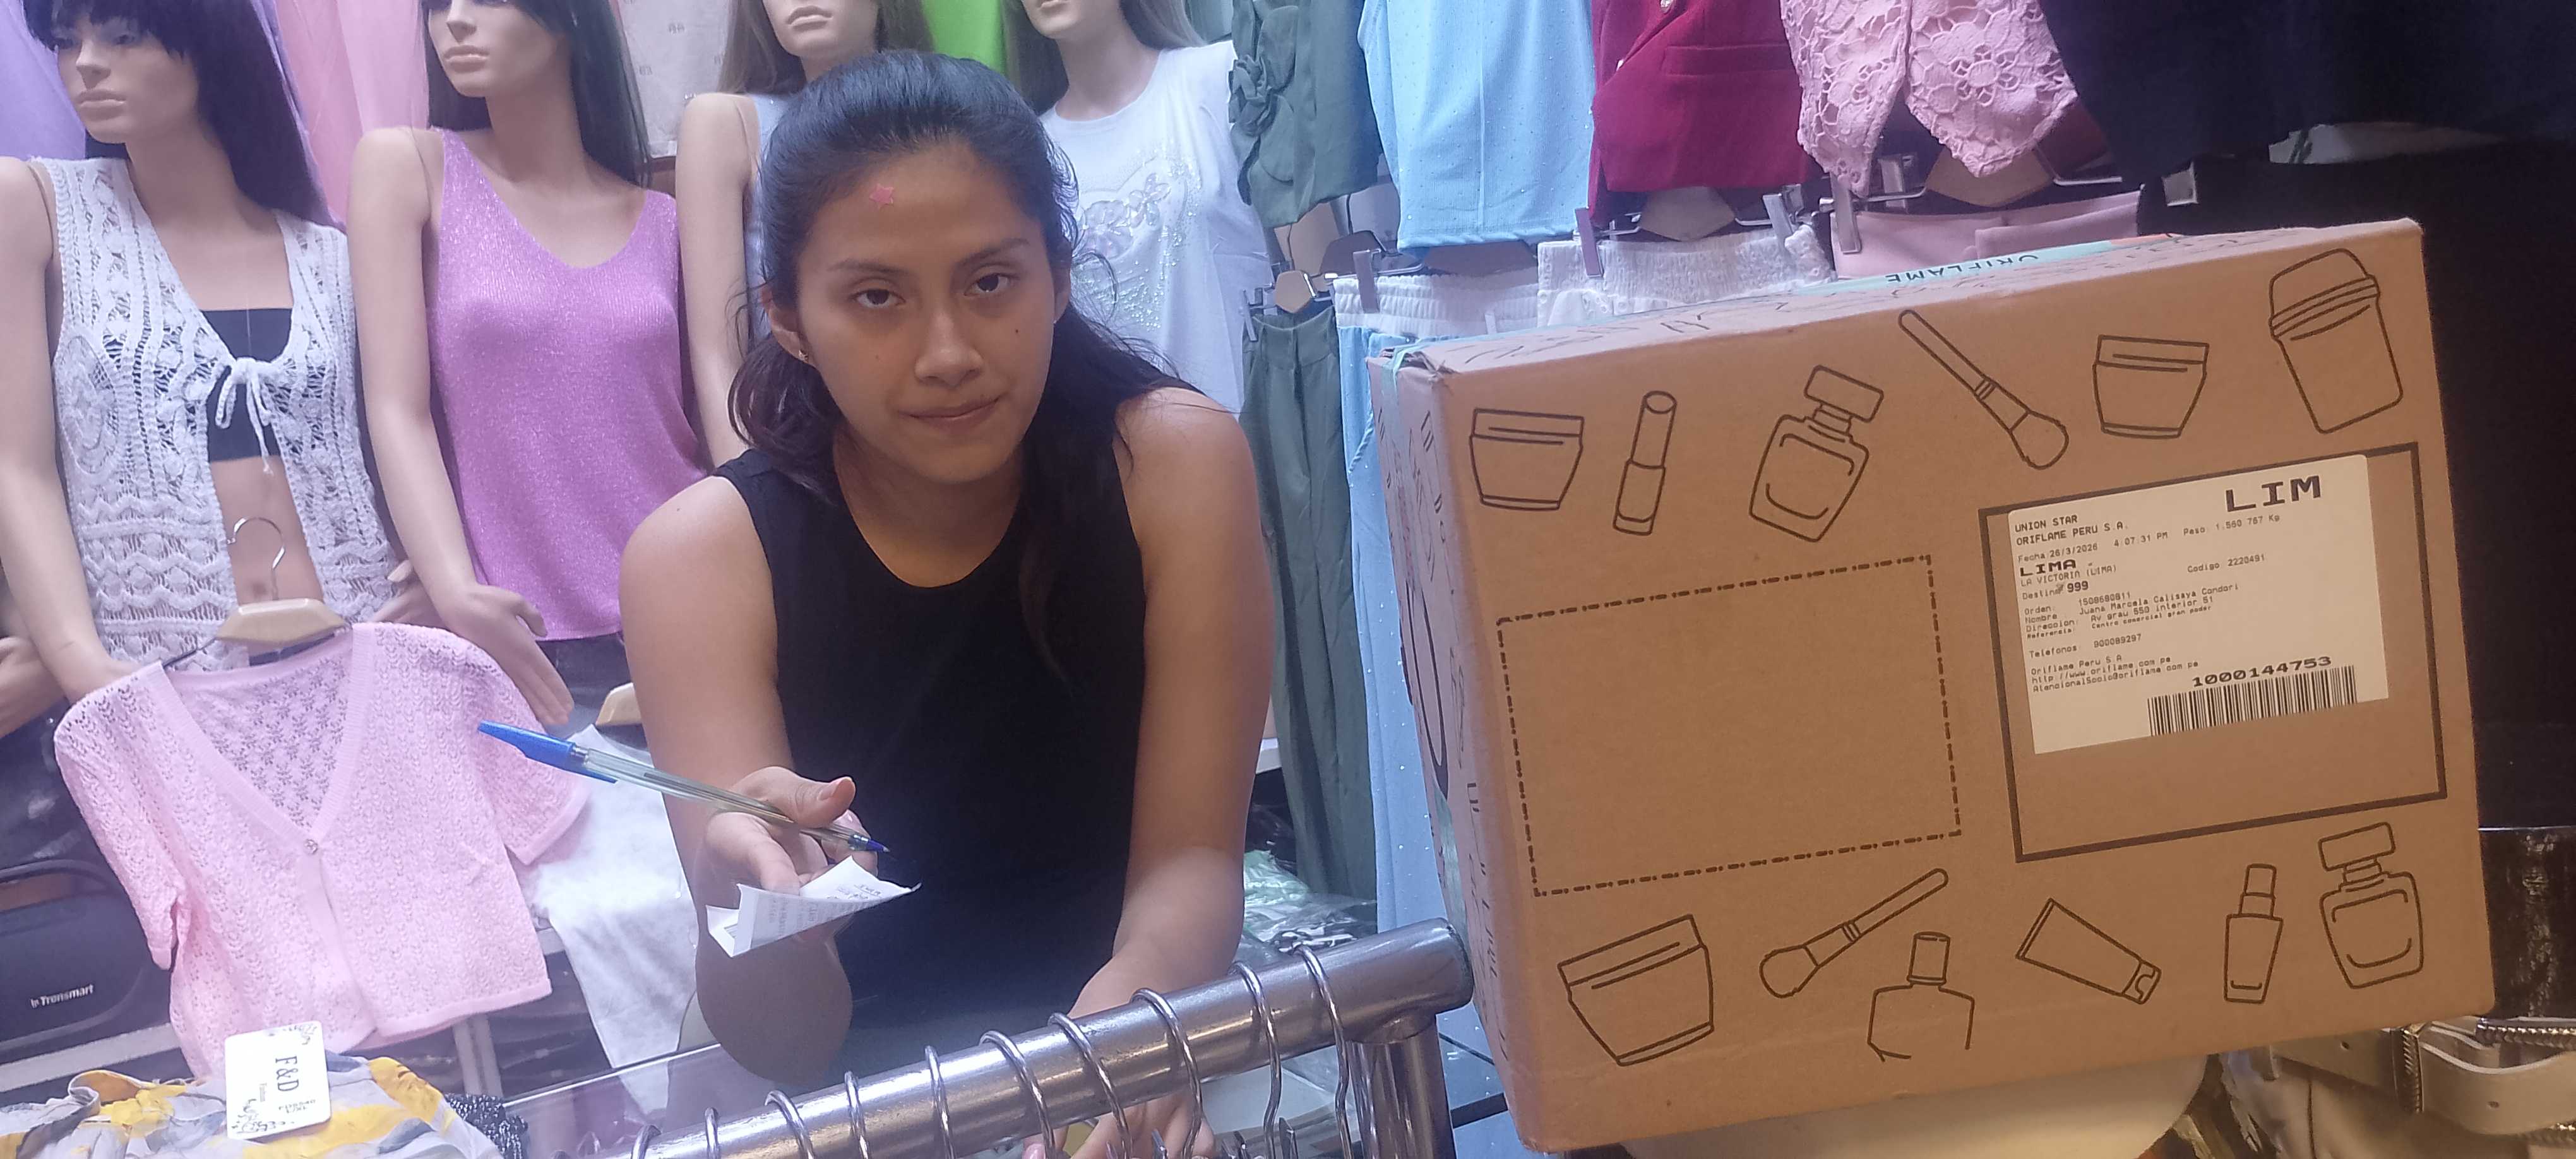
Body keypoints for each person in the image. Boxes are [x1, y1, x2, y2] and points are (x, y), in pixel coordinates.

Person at [621, 51, 1268, 1152]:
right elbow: (786, 1044)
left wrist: (1115, 1043)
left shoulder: (1174, 467)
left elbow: (1192, 862)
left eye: (990, 282)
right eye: (876, 297)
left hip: (1127, 1024)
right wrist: (753, 911)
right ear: (787, 317)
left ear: (1059, 275)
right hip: (857, 1097)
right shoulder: (700, 560)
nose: (949, 354)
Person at [0, 0, 413, 701]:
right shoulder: (34, 208)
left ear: (211, 43)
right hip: (157, 678)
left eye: (124, 36)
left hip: (362, 651)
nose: (87, 64)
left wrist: (429, 577)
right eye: (67, 41)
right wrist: (79, 663)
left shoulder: (331, 257)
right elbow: (18, 465)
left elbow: (392, 447)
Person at [352, 0, 702, 732]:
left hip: (692, 607)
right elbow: (395, 406)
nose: (454, 21)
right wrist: (452, 584)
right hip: (520, 636)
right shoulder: (409, 168)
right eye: (438, 4)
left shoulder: (666, 219)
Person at [678, 0, 932, 466]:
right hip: (789, 451)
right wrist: (749, 487)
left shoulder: (940, 120)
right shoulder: (728, 124)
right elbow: (716, 353)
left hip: (925, 428)